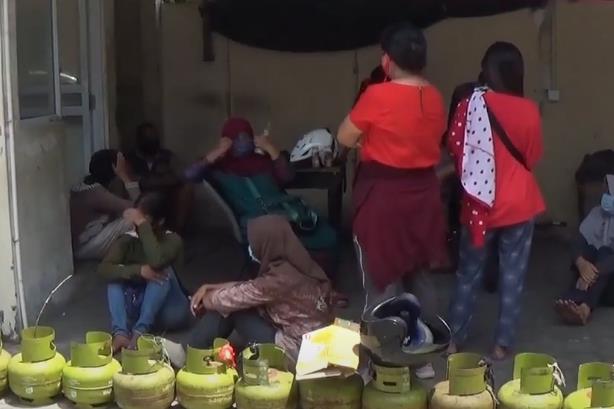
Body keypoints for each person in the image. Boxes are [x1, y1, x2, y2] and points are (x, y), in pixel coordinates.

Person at [336, 22, 448, 379]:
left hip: (384, 199)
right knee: (420, 277)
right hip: (424, 199)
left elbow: (344, 136)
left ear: (388, 60)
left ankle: (382, 365)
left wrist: (368, 142)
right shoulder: (434, 97)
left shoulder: (377, 95)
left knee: (381, 283)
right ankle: (424, 359)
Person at [446, 42, 545, 360]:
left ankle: (454, 339)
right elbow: (532, 157)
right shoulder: (529, 110)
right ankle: (502, 344)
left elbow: (456, 148)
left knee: (468, 273)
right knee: (512, 276)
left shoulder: (471, 104)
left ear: (488, 70)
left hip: (480, 205)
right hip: (520, 204)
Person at [163, 215, 333, 366]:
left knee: (233, 309)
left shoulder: (278, 280)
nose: (251, 248)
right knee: (237, 301)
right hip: (316, 345)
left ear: (267, 244)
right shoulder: (296, 266)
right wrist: (210, 287)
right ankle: (189, 349)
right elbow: (252, 286)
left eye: (254, 244)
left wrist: (204, 300)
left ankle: (186, 352)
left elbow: (232, 298)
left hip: (297, 354)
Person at [184, 118, 340, 279]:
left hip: (287, 210)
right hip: (257, 220)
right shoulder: (220, 168)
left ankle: (314, 277)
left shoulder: (263, 161)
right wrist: (216, 152)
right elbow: (189, 175)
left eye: (246, 136)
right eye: (237, 138)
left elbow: (288, 176)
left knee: (326, 234)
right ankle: (301, 277)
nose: (243, 141)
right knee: (285, 231)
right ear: (227, 141)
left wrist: (270, 148)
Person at [98, 191, 191, 353]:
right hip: (138, 308)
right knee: (115, 277)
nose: (137, 224)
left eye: (143, 220)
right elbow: (103, 270)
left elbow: (156, 261)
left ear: (160, 221)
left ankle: (140, 333)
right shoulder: (127, 240)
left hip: (169, 311)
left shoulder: (172, 240)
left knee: (162, 271)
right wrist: (138, 270)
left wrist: (143, 225)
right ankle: (120, 334)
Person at [555, 175, 614, 325]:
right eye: (604, 191)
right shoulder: (596, 213)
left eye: (609, 192)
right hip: (595, 283)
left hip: (610, 287)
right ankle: (578, 307)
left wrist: (592, 272)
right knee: (588, 250)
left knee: (605, 252)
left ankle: (581, 305)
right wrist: (581, 263)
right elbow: (577, 241)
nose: (605, 195)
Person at [71, 150, 140, 260]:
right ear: (113, 167)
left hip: (88, 241)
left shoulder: (90, 185)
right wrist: (124, 176)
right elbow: (140, 206)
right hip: (84, 248)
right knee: (135, 218)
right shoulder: (94, 192)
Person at [126, 122, 193, 233]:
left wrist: (150, 181)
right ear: (139, 140)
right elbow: (130, 179)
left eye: (154, 136)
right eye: (147, 137)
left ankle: (176, 233)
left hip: (165, 196)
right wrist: (158, 180)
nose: (151, 140)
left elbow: (181, 175)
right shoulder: (130, 158)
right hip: (141, 197)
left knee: (187, 189)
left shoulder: (167, 156)